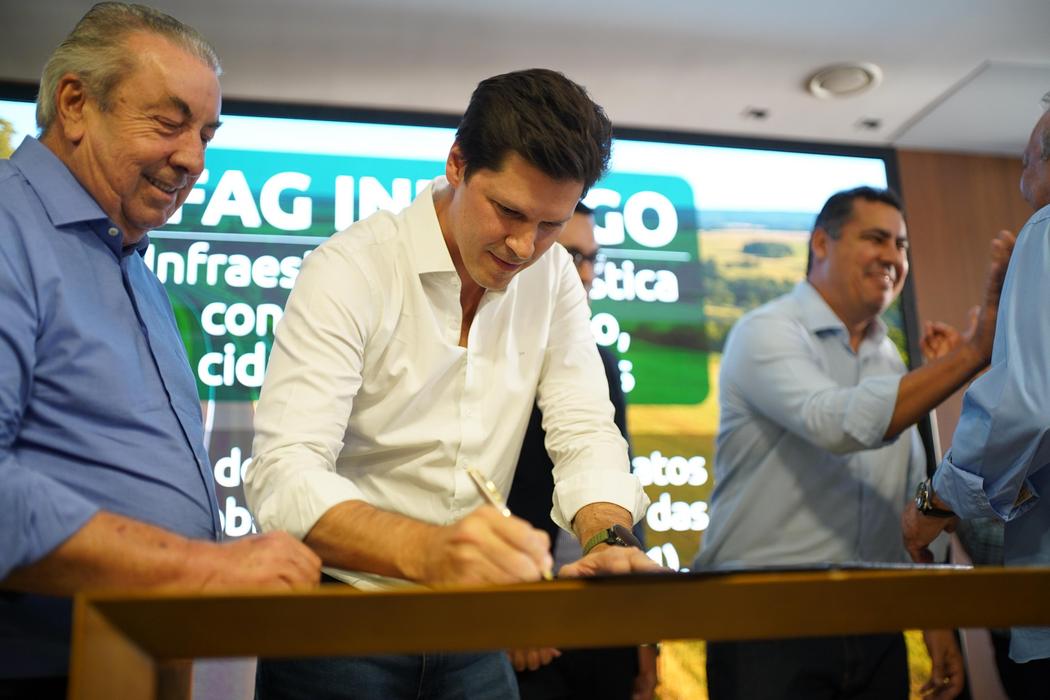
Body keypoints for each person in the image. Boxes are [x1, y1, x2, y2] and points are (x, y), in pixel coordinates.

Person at [245, 68, 659, 699]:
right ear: (458, 163)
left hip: (474, 627)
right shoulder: (350, 268)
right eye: (509, 212)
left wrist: (607, 537)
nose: (524, 247)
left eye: (551, 225)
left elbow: (583, 429)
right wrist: (434, 552)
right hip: (338, 620)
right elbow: (284, 473)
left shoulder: (550, 277)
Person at [0, 4, 321, 696]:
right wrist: (200, 567)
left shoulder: (134, 266)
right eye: (169, 123)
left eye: (206, 134)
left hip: (138, 664)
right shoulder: (8, 227)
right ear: (76, 104)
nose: (194, 159)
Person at [694, 185, 1013, 700]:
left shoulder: (888, 359)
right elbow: (835, 423)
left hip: (872, 619)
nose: (892, 256)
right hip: (765, 621)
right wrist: (973, 352)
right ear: (821, 243)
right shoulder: (766, 331)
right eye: (876, 239)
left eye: (901, 245)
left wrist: (935, 621)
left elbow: (906, 495)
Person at [903, 94, 1050, 686]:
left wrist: (933, 504)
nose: (1021, 180)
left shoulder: (1045, 228)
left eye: (1027, 161)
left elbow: (1026, 411)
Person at [507, 202, 658, 700]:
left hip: (601, 612)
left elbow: (620, 479)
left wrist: (643, 631)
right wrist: (511, 607)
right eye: (570, 256)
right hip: (524, 625)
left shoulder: (601, 361)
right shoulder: (489, 357)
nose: (586, 274)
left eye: (591, 258)